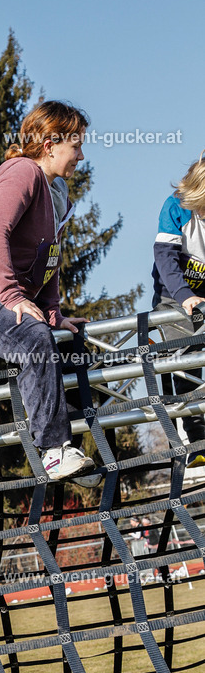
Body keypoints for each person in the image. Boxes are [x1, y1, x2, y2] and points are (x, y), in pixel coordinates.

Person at [0, 100, 99, 487]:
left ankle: (84, 451)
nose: (81, 155)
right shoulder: (22, 172)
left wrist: (54, 312)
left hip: (5, 297)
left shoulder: (57, 192)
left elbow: (50, 258)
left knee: (70, 344)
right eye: (76, 146)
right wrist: (14, 296)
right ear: (50, 144)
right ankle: (52, 451)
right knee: (34, 339)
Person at [152, 153, 205, 466]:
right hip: (174, 293)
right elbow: (166, 259)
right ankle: (196, 437)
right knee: (185, 357)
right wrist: (184, 295)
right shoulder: (176, 207)